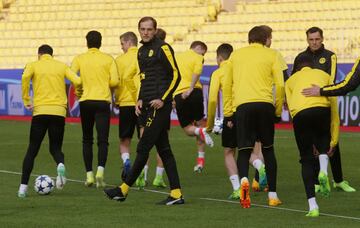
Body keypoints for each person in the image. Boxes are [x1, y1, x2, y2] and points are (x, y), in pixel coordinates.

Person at [104, 16, 184, 205]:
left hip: (159, 106)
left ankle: (123, 190)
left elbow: (176, 75)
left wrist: (163, 99)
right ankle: (176, 194)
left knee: (143, 146)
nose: (146, 32)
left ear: (155, 30)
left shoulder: (163, 48)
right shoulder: (141, 52)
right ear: (139, 30)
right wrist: (140, 98)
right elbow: (145, 79)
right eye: (143, 29)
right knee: (164, 150)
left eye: (149, 29)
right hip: (147, 105)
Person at [223, 25, 284, 208]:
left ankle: (244, 196)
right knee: (268, 149)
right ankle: (272, 195)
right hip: (265, 105)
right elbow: (280, 86)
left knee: (243, 151)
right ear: (266, 39)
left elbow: (227, 85)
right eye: (270, 37)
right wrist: (278, 111)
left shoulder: (236, 55)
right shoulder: (272, 54)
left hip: (243, 107)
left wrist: (228, 112)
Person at [293, 27, 355, 193]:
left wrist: (319, 91)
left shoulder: (330, 56)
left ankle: (338, 180)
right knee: (311, 141)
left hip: (324, 100)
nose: (314, 42)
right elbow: (294, 79)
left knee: (332, 141)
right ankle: (317, 182)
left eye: (317, 39)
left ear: (322, 39)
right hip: (306, 103)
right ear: (307, 40)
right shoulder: (300, 57)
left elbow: (332, 79)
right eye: (311, 40)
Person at [18, 44, 81, 197]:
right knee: (55, 148)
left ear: (39, 54)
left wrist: (26, 99)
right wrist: (78, 92)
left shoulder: (34, 65)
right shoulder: (61, 66)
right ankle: (60, 164)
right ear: (52, 55)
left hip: (40, 111)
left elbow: (25, 77)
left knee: (32, 149)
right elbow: (77, 81)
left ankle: (22, 188)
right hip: (59, 112)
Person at [286, 55, 339, 217]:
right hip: (322, 109)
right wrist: (334, 139)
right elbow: (334, 107)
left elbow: (290, 106)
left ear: (296, 69)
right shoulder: (324, 75)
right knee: (323, 146)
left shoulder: (290, 81)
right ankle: (323, 170)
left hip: (300, 114)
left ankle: (312, 206)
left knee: (306, 159)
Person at [71, 30, 119, 188]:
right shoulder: (108, 59)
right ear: (100, 42)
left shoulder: (79, 58)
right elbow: (115, 82)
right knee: (103, 139)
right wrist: (104, 84)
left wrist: (79, 92)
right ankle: (100, 172)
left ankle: (89, 175)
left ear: (87, 42)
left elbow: (73, 78)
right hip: (102, 102)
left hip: (86, 101)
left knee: (87, 139)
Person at [135, 27, 169, 189]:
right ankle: (158, 177)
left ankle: (142, 173)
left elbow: (140, 78)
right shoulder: (144, 52)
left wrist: (139, 98)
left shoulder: (147, 53)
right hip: (152, 100)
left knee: (144, 137)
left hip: (144, 101)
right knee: (161, 144)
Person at [173, 40, 214, 173]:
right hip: (195, 91)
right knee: (201, 124)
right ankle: (200, 161)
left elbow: (171, 77)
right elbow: (197, 71)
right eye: (203, 52)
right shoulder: (198, 57)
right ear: (198, 47)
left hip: (179, 94)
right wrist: (190, 88)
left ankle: (200, 162)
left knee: (187, 129)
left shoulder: (176, 57)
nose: (203, 56)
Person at [113, 31, 141, 182]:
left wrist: (116, 99)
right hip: (142, 103)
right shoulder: (144, 56)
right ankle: (142, 172)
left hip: (125, 103)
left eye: (122, 44)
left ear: (129, 43)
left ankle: (127, 162)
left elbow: (116, 82)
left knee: (125, 140)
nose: (122, 47)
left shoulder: (119, 60)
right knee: (143, 141)